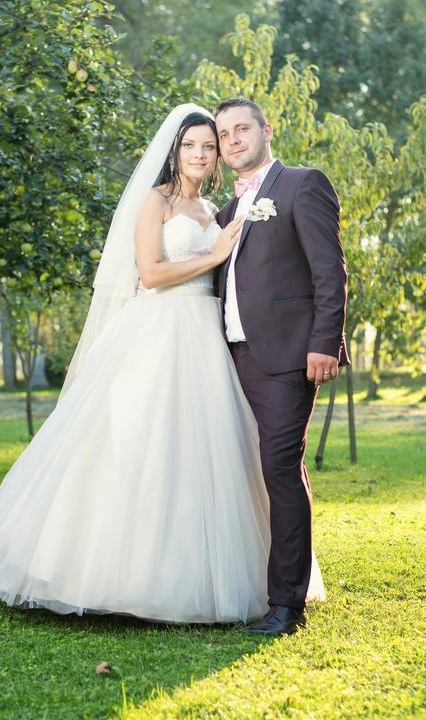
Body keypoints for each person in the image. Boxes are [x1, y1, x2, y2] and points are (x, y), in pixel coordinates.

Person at [0, 103, 325, 625]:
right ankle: (118, 573)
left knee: (208, 454)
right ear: (174, 151)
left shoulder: (217, 210)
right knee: (141, 445)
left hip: (208, 337)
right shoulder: (156, 200)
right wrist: (213, 255)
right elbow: (150, 274)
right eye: (191, 145)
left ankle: (214, 576)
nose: (201, 153)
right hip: (159, 332)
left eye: (209, 145)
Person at [214, 97, 349, 635]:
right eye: (224, 134)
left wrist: (325, 342)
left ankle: (287, 604)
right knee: (247, 469)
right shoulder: (226, 210)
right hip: (229, 356)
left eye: (241, 129)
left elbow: (329, 271)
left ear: (266, 130)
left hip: (287, 356)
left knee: (279, 468)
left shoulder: (301, 184)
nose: (232, 140)